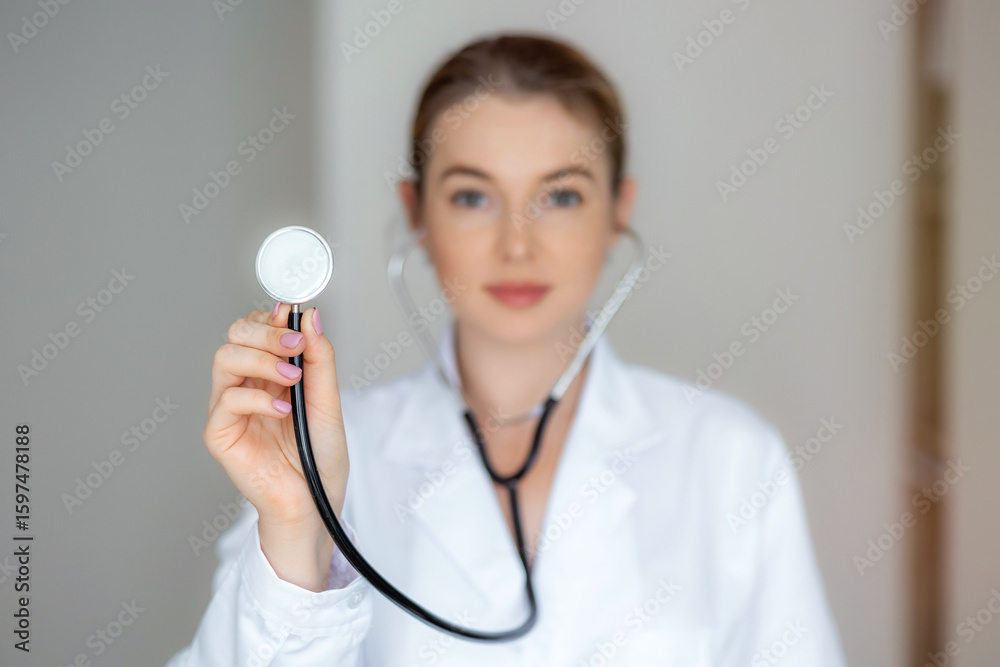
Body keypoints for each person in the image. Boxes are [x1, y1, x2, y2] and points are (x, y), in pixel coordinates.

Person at [167, 33, 847, 666]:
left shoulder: (730, 458)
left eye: (560, 196)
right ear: (416, 213)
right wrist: (298, 529)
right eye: (473, 196)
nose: (517, 245)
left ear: (619, 210)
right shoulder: (323, 456)